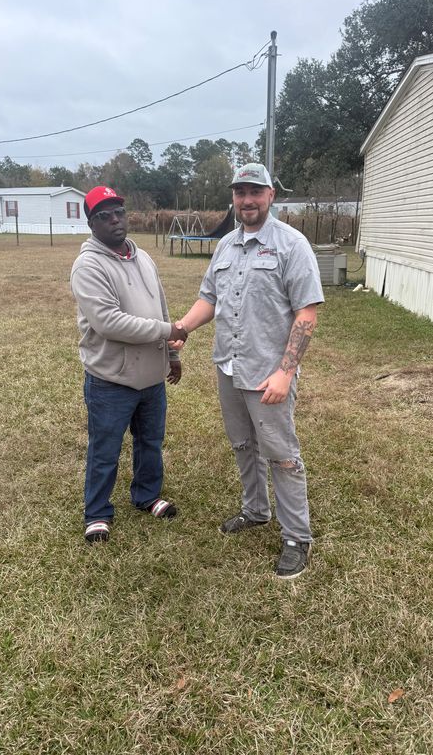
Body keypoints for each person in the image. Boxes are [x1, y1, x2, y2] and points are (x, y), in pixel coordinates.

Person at [176, 163, 324, 579]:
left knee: (281, 454)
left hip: (267, 374)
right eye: (240, 192)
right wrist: (183, 328)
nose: (247, 200)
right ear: (234, 198)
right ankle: (256, 510)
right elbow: (209, 298)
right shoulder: (225, 246)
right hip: (228, 365)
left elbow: (307, 313)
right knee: (243, 445)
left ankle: (297, 537)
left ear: (270, 195)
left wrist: (285, 373)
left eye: (255, 192)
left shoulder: (291, 245)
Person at [70, 185, 187, 544]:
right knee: (105, 449)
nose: (115, 220)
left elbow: (161, 307)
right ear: (91, 223)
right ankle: (97, 513)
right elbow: (110, 323)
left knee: (150, 441)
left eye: (119, 212)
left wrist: (171, 355)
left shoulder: (143, 257)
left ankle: (147, 496)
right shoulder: (88, 266)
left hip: (151, 377)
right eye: (104, 215)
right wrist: (168, 331)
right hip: (111, 379)